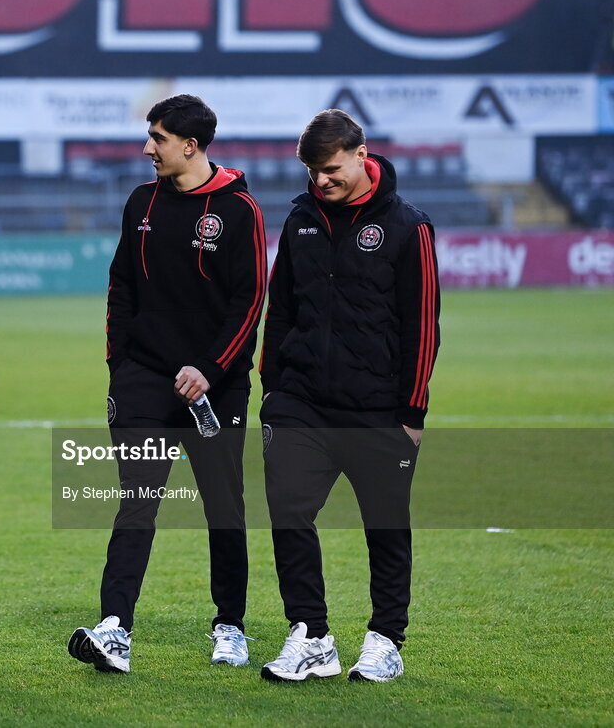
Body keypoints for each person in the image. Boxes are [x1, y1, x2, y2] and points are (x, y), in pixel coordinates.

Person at [68, 94, 267, 673]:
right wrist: (120, 367)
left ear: (190, 145)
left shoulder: (240, 210)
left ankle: (230, 625)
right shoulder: (141, 202)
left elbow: (249, 300)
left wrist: (209, 368)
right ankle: (115, 629)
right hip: (144, 383)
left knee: (223, 507)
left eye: (156, 138)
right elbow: (121, 286)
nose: (147, 148)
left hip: (215, 386)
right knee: (136, 500)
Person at [258, 109, 440, 684]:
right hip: (301, 403)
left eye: (331, 169)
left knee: (385, 526)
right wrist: (273, 391)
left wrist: (411, 412)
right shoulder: (301, 220)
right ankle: (310, 635)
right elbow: (280, 308)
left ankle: (386, 639)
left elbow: (424, 324)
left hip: (380, 410)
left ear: (363, 155)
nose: (321, 181)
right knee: (288, 511)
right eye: (312, 171)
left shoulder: (409, 226)